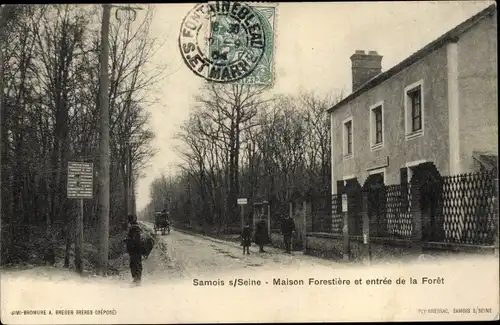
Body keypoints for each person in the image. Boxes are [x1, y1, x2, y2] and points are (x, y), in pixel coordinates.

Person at [125, 214, 143, 284]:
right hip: (137, 249)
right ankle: (137, 279)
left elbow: (134, 240)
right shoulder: (137, 227)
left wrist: (128, 241)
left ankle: (137, 280)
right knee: (136, 264)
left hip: (134, 249)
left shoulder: (133, 228)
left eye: (129, 220)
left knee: (134, 264)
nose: (129, 221)